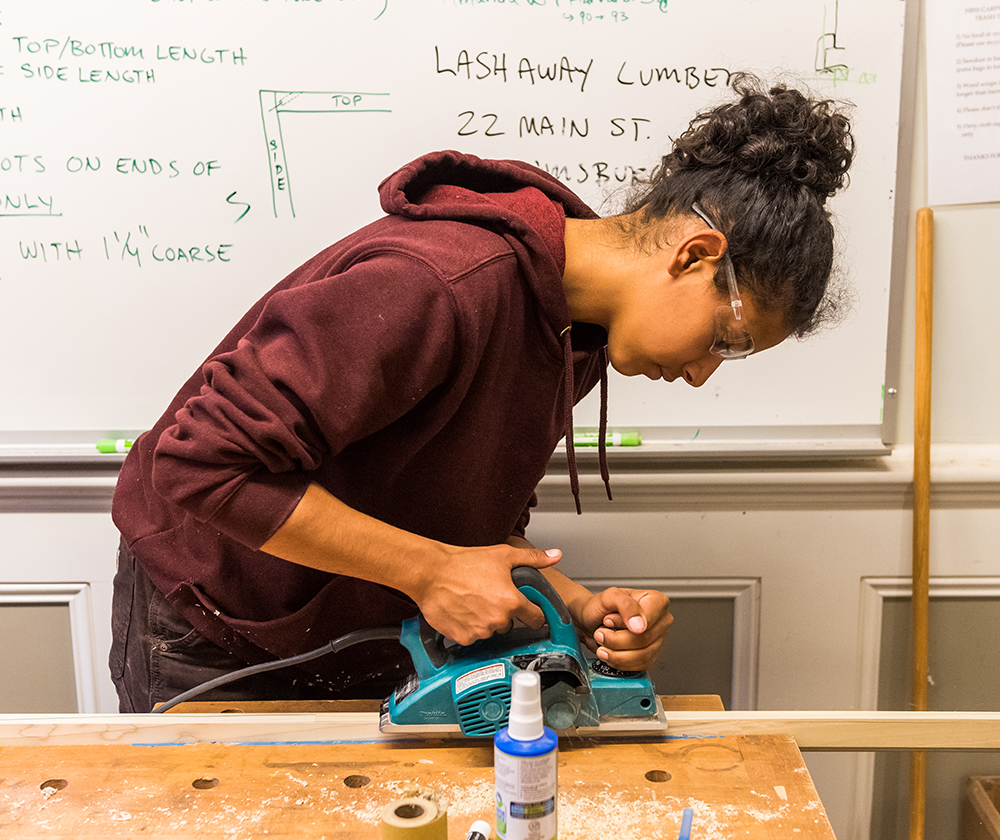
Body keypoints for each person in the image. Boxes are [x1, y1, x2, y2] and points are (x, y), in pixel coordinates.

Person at [109, 74, 855, 713]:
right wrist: (428, 572)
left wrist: (573, 600)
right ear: (694, 257)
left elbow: (469, 518)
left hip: (340, 624)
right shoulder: (437, 286)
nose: (702, 374)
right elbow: (199, 466)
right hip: (213, 625)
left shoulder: (573, 331)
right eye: (726, 340)